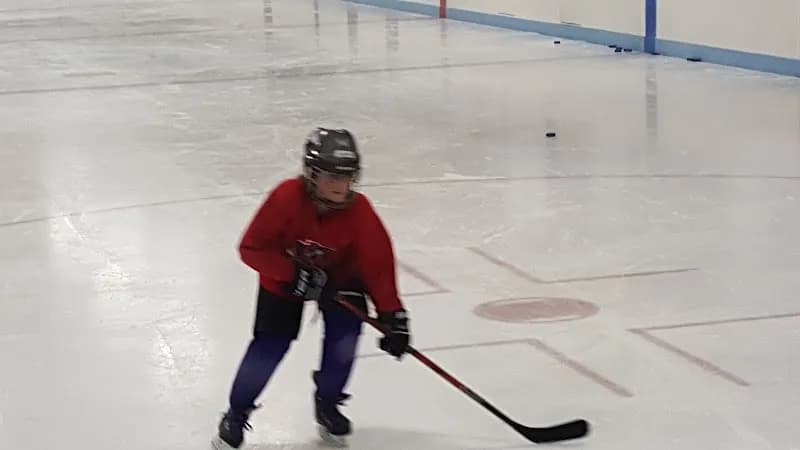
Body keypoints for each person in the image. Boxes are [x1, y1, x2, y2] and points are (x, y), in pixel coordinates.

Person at [211, 128, 412, 449]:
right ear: (311, 174)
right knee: (270, 345)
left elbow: (378, 265)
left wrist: (393, 315)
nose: (339, 185)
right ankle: (236, 412)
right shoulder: (286, 197)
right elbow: (251, 248)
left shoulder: (359, 211)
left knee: (344, 339)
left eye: (346, 177)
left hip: (339, 280)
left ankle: (328, 403)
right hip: (284, 279)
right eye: (330, 176)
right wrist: (291, 273)